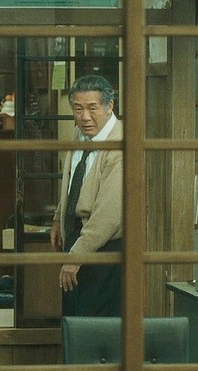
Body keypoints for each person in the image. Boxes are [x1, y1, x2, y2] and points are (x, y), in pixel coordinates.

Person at [50, 74, 123, 317]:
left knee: (96, 323)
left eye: (92, 108)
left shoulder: (120, 146)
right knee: (73, 317)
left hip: (104, 246)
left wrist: (75, 257)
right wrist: (59, 217)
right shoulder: (79, 134)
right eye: (78, 108)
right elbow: (72, 180)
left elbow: (108, 215)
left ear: (110, 106)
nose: (85, 117)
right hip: (76, 239)